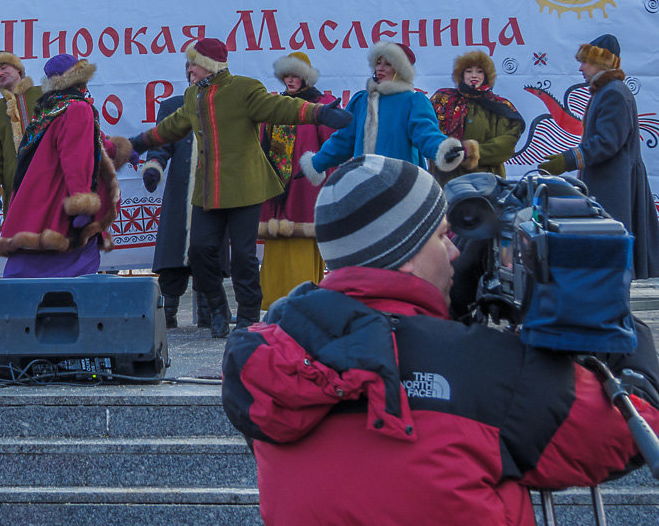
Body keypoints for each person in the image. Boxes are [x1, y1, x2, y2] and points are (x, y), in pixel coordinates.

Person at [222, 154, 659, 525]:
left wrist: (442, 313)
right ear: (407, 256)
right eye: (441, 236)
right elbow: (634, 433)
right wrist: (615, 325)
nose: (454, 252)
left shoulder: (275, 349)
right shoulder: (487, 369)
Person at [130, 37, 351, 338]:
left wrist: (320, 113)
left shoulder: (245, 89)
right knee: (199, 251)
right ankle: (219, 308)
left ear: (207, 65)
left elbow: (279, 107)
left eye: (193, 62)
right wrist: (137, 143)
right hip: (209, 191)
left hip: (245, 187)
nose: (189, 68)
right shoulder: (192, 95)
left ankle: (247, 315)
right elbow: (171, 126)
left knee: (244, 256)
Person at [0, 54, 132, 277]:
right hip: (63, 203)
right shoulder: (78, 108)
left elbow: (93, 141)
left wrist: (120, 150)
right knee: (74, 271)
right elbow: (77, 158)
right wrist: (82, 204)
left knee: (27, 270)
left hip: (39, 202)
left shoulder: (50, 109)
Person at [539, 34, 659, 279]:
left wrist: (567, 161)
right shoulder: (607, 91)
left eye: (586, 62)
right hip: (611, 181)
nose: (580, 67)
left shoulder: (613, 93)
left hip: (614, 184)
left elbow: (607, 143)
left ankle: (616, 289)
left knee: (612, 241)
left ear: (603, 63)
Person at [300, 41, 473, 185]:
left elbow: (426, 134)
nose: (380, 68)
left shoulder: (413, 101)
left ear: (400, 69)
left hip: (402, 184)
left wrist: (443, 150)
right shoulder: (361, 101)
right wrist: (316, 164)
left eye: (388, 64)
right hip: (364, 185)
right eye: (378, 63)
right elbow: (343, 141)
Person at [141, 75, 231, 329]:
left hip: (214, 191)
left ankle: (210, 313)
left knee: (209, 251)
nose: (198, 78)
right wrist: (154, 166)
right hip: (181, 192)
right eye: (193, 73)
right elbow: (160, 143)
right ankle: (167, 314)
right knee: (174, 254)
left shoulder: (226, 107)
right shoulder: (173, 106)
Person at [257, 52, 337, 308]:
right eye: (286, 76)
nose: (290, 81)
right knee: (277, 241)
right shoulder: (275, 105)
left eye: (295, 75)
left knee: (303, 240)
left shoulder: (322, 105)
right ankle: (272, 300)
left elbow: (334, 147)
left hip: (306, 185)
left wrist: (325, 178)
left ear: (306, 78)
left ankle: (303, 300)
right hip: (276, 186)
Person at [429, 49, 524, 185]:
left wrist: (472, 152)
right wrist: (442, 151)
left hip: (485, 182)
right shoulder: (442, 99)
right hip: (447, 180)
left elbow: (507, 144)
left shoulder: (501, 106)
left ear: (486, 75)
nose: (474, 75)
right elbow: (429, 132)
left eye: (479, 71)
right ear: (461, 75)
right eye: (469, 71)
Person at [0, 51, 42, 213]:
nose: (0, 73)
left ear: (18, 70)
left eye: (3, 67)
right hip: (16, 182)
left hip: (51, 178)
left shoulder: (44, 94)